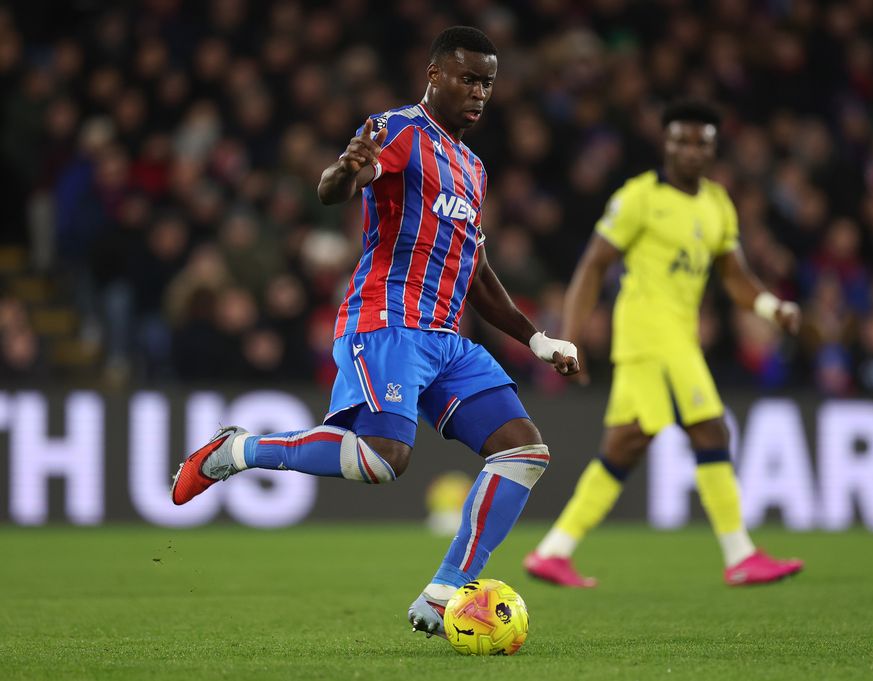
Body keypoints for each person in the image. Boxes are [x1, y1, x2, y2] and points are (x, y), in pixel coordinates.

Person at [171, 26, 579, 637]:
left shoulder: (473, 168)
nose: (479, 92)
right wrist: (346, 169)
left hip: (446, 339)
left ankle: (444, 592)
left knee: (523, 451)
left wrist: (537, 340)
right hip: (387, 322)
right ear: (434, 74)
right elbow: (336, 188)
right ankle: (236, 451)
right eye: (467, 78)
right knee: (382, 461)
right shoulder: (398, 130)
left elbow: (477, 271)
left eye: (488, 83)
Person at [524, 100, 804, 587]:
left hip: (675, 336)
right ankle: (740, 554)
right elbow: (593, 264)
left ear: (714, 149)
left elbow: (736, 277)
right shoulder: (639, 198)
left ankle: (554, 550)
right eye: (681, 140)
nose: (691, 150)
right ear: (666, 143)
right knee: (710, 429)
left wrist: (770, 308)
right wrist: (568, 335)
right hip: (650, 334)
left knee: (627, 444)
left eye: (701, 142)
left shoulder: (717, 202)